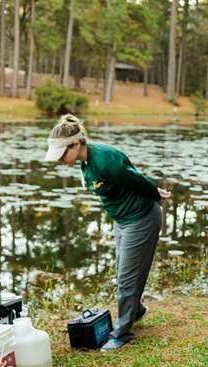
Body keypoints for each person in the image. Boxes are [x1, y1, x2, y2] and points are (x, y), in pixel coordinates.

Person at [43, 114, 170, 351]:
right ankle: (136, 310)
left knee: (127, 278)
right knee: (122, 269)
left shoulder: (105, 161)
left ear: (76, 144)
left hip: (140, 218)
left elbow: (136, 179)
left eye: (62, 154)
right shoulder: (86, 162)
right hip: (122, 220)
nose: (60, 161)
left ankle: (123, 333)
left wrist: (155, 192)